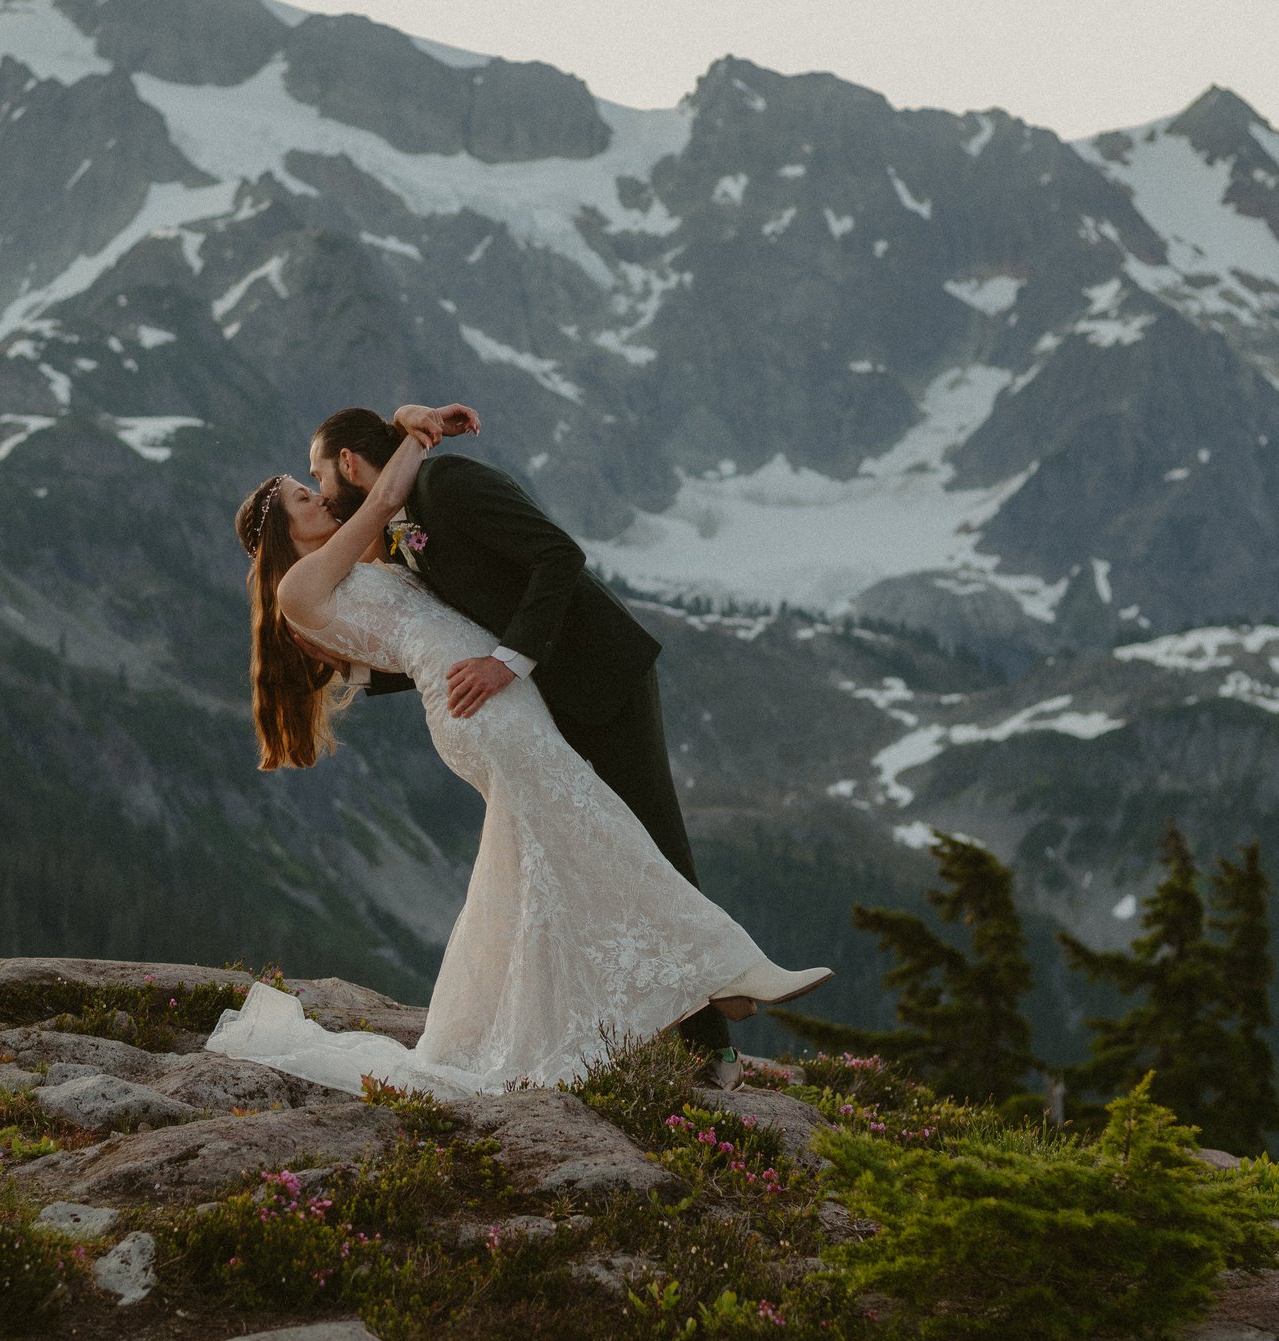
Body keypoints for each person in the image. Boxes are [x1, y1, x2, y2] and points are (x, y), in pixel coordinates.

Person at [212, 418, 829, 1098]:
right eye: (307, 494)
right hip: (485, 702)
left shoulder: (373, 546)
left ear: (351, 462)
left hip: (519, 686)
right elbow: (392, 526)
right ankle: (724, 976)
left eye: (318, 479)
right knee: (601, 831)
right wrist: (418, 429)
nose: (322, 496)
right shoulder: (312, 576)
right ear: (283, 528)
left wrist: (372, 666)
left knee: (558, 855)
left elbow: (436, 614)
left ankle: (683, 1006)